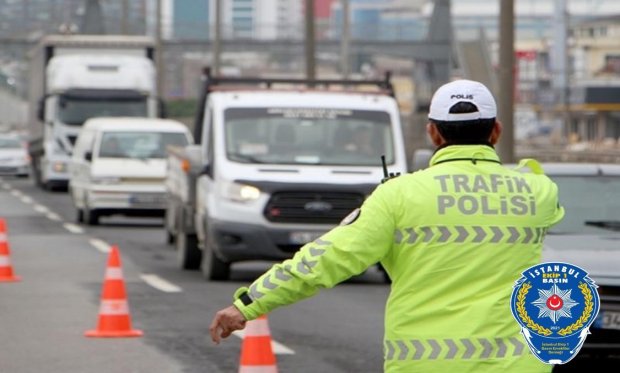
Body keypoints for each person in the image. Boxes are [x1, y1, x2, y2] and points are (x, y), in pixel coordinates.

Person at [209, 79, 565, 372]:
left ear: (433, 134)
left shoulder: (399, 195)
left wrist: (248, 304)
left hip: (426, 364)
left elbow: (325, 258)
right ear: (497, 131)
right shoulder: (538, 190)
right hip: (519, 364)